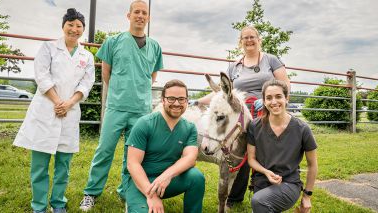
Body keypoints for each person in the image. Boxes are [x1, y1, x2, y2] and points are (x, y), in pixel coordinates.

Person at [79, 0, 163, 211]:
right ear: (129, 15)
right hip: (116, 107)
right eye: (137, 12)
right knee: (104, 151)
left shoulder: (155, 46)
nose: (140, 16)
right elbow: (106, 73)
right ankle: (91, 193)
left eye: (144, 13)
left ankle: (126, 192)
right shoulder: (113, 42)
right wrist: (121, 91)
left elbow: (152, 77)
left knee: (133, 156)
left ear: (148, 18)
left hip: (141, 110)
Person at [195, 25, 290, 207]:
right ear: (241, 42)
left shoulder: (270, 60)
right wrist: (198, 101)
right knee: (239, 152)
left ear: (258, 39)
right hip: (242, 115)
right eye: (245, 37)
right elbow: (224, 93)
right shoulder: (235, 67)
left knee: (267, 152)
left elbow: (285, 85)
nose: (249, 40)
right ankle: (235, 197)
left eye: (252, 37)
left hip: (267, 109)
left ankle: (269, 192)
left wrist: (270, 101)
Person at [13, 8, 95, 213]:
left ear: (82, 30)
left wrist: (69, 103)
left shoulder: (87, 55)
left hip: (70, 112)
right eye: (71, 24)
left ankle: (58, 203)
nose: (74, 29)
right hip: (46, 110)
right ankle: (39, 206)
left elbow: (87, 83)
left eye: (79, 26)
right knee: (39, 166)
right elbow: (42, 76)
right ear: (63, 26)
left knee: (63, 166)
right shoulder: (48, 48)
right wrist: (59, 101)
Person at [123, 79, 205, 213]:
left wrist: (167, 176)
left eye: (181, 99)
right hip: (141, 181)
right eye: (171, 99)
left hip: (169, 181)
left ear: (186, 101)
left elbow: (190, 159)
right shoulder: (144, 124)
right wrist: (151, 195)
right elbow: (132, 164)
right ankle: (133, 203)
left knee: (196, 177)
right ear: (163, 100)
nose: (177, 103)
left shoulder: (189, 128)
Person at [247, 79, 318, 213]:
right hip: (262, 182)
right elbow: (251, 159)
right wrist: (266, 172)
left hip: (289, 184)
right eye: (269, 98)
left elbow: (312, 164)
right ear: (264, 101)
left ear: (287, 98)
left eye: (278, 96)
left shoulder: (302, 129)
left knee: (259, 201)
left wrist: (307, 196)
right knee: (260, 202)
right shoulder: (254, 126)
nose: (274, 102)